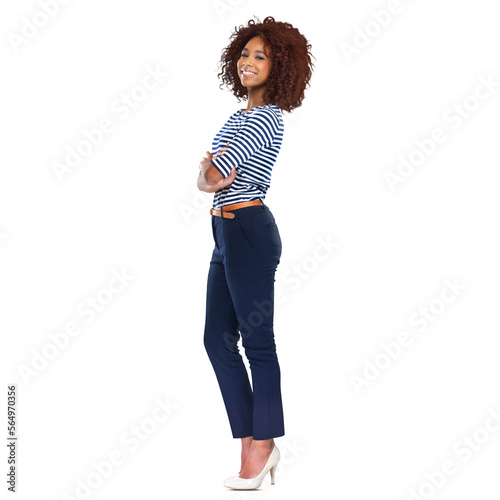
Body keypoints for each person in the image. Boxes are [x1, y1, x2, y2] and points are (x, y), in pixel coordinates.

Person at [197, 15, 314, 490]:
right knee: (216, 340)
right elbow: (208, 179)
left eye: (259, 56)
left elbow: (212, 173)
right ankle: (249, 437)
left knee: (257, 343)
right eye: (244, 54)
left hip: (248, 230)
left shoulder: (266, 119)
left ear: (279, 67)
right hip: (225, 233)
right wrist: (209, 175)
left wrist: (209, 173)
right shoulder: (238, 116)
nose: (248, 62)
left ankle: (262, 444)